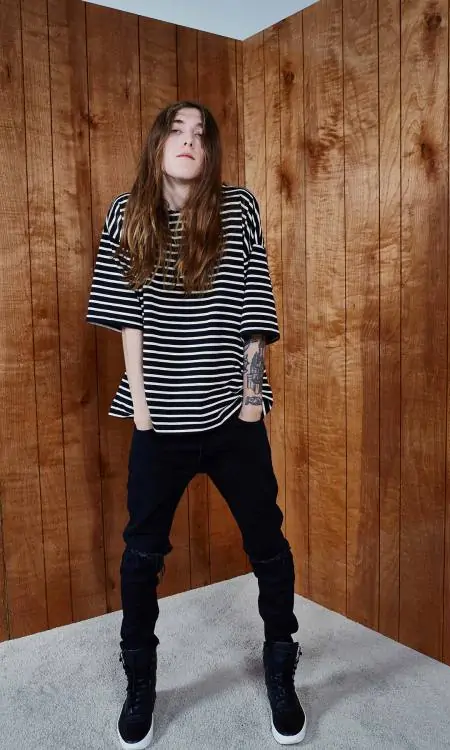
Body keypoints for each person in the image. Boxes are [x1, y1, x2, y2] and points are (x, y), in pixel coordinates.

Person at [86, 101, 306, 749]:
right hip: (160, 420)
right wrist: (142, 407)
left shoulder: (238, 207)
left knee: (268, 543)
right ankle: (141, 679)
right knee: (141, 556)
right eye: (177, 131)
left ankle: (280, 658)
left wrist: (251, 397)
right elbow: (127, 316)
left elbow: (254, 299)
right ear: (159, 145)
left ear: (209, 153)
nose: (188, 141)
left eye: (200, 135)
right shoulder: (128, 213)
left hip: (233, 413)